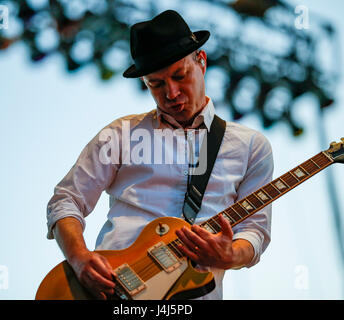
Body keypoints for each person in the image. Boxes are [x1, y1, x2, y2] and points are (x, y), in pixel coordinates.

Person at [46, 10, 273, 300]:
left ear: (201, 62)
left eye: (180, 76)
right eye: (157, 84)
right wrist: (78, 257)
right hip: (112, 292)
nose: (172, 93)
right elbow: (66, 200)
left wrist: (231, 254)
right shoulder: (121, 133)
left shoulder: (251, 146)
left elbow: (255, 231)